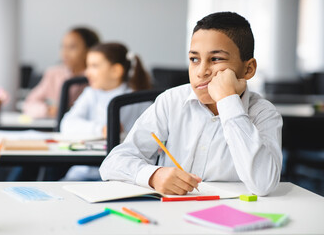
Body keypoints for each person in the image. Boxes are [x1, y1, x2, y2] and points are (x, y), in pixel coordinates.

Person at [99, 12, 283, 196]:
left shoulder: (263, 113)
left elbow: (264, 184)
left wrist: (228, 101)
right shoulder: (171, 101)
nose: (201, 71)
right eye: (194, 59)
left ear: (248, 69)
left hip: (231, 214)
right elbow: (113, 163)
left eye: (216, 59)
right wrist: (153, 175)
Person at [61, 42, 152, 180]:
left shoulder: (140, 99)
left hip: (124, 172)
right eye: (88, 66)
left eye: (94, 66)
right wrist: (101, 130)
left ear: (116, 71)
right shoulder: (90, 93)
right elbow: (66, 124)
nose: (87, 72)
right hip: (87, 168)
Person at [22, 27, 100, 119]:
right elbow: (28, 104)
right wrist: (47, 110)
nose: (65, 53)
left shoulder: (97, 76)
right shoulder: (54, 74)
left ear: (89, 50)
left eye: (72, 47)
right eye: (63, 47)